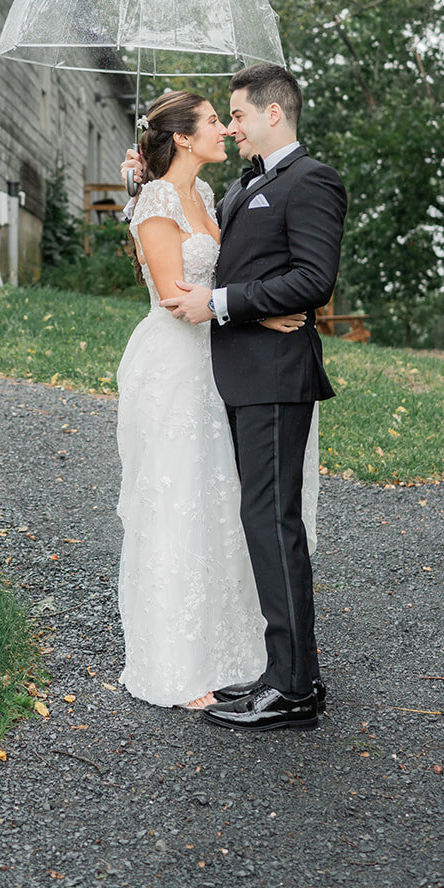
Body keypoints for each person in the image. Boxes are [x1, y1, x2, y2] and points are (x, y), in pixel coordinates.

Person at [158, 63, 347, 731]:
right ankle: (284, 675)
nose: (230, 126)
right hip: (243, 373)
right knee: (261, 521)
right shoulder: (244, 185)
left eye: (236, 115)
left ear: (273, 113)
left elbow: (313, 279)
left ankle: (294, 690)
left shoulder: (311, 180)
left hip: (275, 375)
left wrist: (223, 302)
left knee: (272, 524)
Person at [115, 90, 310, 710]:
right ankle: (174, 664)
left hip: (218, 363)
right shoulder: (156, 200)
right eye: (210, 123)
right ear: (181, 138)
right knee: (178, 502)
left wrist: (260, 309)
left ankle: (232, 651)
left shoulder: (205, 196)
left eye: (228, 119)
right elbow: (179, 299)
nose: (224, 130)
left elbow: (229, 279)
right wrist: (257, 320)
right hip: (173, 367)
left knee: (220, 503)